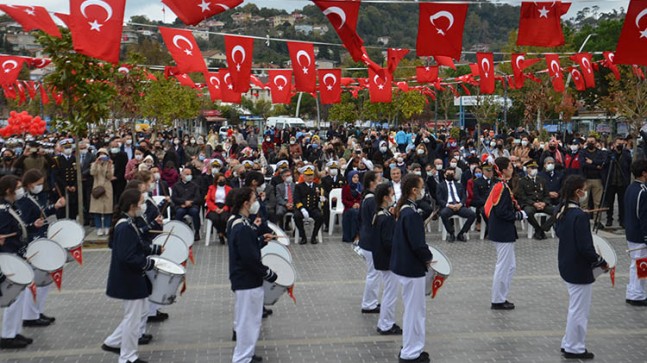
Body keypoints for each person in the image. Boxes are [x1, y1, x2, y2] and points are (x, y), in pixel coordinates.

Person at [102, 189, 162, 363]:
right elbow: (128, 256)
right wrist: (148, 263)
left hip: (132, 277)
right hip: (129, 279)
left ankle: (113, 342)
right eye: (141, 202)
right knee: (133, 318)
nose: (144, 206)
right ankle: (127, 356)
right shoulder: (125, 226)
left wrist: (154, 250)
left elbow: (138, 245)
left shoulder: (130, 223)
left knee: (140, 312)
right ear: (132, 205)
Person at [555, 175, 608, 360]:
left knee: (575, 306)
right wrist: (600, 261)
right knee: (579, 310)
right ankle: (574, 347)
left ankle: (567, 341)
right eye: (584, 189)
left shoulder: (562, 209)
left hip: (566, 263)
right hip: (578, 267)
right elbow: (585, 247)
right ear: (578, 192)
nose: (586, 192)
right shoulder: (579, 215)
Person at [227, 187, 277, 363]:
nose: (257, 202)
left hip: (242, 279)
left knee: (247, 320)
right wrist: (268, 273)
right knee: (248, 322)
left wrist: (261, 240)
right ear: (246, 203)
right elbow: (249, 258)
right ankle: (242, 358)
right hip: (247, 281)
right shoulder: (243, 227)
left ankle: (246, 354)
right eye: (254, 199)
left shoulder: (238, 222)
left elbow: (247, 247)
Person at [390, 173, 432, 363]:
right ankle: (410, 352)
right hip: (412, 268)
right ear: (414, 190)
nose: (423, 190)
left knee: (412, 310)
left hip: (404, 266)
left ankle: (413, 346)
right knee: (415, 312)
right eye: (421, 187)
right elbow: (417, 244)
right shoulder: (411, 214)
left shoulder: (405, 210)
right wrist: (428, 258)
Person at [18, 170, 65, 327]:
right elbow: (22, 223)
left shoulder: (35, 196)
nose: (41, 186)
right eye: (38, 183)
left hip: (41, 238)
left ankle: (37, 310)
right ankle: (30, 315)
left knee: (44, 280)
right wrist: (33, 225)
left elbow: (42, 212)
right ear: (30, 184)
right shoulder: (23, 200)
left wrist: (55, 206)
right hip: (33, 242)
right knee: (35, 279)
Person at [486, 157, 525, 310]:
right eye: (509, 166)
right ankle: (497, 299)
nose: (512, 168)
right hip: (502, 231)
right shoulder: (500, 187)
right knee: (503, 266)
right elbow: (501, 211)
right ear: (502, 170)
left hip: (503, 230)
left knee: (510, 266)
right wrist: (517, 216)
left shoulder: (502, 185)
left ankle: (502, 296)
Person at [0, 176, 34, 349]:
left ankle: (14, 331)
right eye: (18, 187)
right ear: (8, 190)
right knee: (13, 297)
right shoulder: (2, 211)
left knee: (19, 295)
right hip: (10, 257)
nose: (21, 190)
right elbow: (4, 237)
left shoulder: (10, 207)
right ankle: (6, 335)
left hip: (17, 255)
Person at [371, 183, 402, 336]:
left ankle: (385, 322)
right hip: (388, 261)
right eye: (391, 194)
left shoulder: (379, 214)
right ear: (385, 197)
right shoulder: (386, 218)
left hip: (381, 259)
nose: (393, 197)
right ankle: (386, 324)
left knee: (389, 293)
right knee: (390, 294)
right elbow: (389, 241)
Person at [623, 159, 647, 306]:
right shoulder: (642, 191)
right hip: (640, 234)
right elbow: (643, 216)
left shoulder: (630, 188)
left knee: (635, 264)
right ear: (644, 173)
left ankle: (633, 291)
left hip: (631, 232)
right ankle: (638, 294)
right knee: (642, 265)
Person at [357, 171, 380, 314]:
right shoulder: (371, 200)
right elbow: (376, 221)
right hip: (371, 241)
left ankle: (372, 301)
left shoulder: (367, 198)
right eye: (378, 179)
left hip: (366, 239)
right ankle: (368, 303)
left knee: (374, 273)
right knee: (373, 273)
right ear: (372, 182)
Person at [516, 160, 555, 240]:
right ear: (527, 169)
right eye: (532, 168)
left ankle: (543, 229)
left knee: (557, 211)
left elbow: (546, 195)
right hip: (530, 204)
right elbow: (522, 197)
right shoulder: (522, 181)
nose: (534, 170)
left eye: (535, 168)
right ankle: (538, 229)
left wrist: (544, 203)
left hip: (542, 203)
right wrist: (534, 203)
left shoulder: (542, 180)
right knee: (528, 212)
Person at [436, 167, 476, 242]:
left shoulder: (459, 185)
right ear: (445, 175)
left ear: (454, 174)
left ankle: (462, 233)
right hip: (448, 206)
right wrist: (449, 205)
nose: (450, 175)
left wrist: (460, 204)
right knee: (443, 214)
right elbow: (439, 199)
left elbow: (464, 196)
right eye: (448, 173)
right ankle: (451, 233)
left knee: (472, 214)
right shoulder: (440, 185)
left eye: (452, 173)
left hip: (459, 206)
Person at [580, 136, 607, 230]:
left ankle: (597, 221)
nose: (590, 143)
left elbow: (603, 163)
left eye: (592, 141)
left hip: (598, 180)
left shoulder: (600, 153)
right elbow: (583, 164)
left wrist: (591, 162)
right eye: (588, 141)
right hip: (585, 180)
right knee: (584, 202)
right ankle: (583, 220)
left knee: (598, 202)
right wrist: (596, 165)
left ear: (596, 143)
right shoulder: (583, 152)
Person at [603, 138, 631, 228]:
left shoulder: (626, 154)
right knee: (610, 202)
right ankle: (609, 219)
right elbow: (605, 164)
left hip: (622, 182)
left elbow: (629, 166)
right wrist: (612, 153)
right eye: (618, 143)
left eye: (622, 143)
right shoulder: (609, 153)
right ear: (614, 144)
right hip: (611, 181)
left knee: (622, 202)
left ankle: (622, 220)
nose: (620, 145)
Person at [294, 165, 324, 244]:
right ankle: (303, 236)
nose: (310, 177)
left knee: (320, 217)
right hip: (302, 208)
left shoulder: (317, 186)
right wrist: (302, 209)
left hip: (313, 208)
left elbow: (319, 198)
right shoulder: (299, 186)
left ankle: (314, 236)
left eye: (311, 175)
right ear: (303, 176)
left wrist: (322, 199)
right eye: (307, 175)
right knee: (296, 217)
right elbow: (296, 199)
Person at [172, 168, 202, 241]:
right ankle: (177, 231)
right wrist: (184, 202)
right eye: (187, 174)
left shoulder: (195, 185)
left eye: (190, 174)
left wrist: (190, 202)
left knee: (195, 212)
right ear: (182, 175)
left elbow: (198, 198)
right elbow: (174, 198)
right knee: (179, 212)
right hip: (180, 205)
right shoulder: (176, 186)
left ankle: (197, 231)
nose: (189, 176)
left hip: (192, 205)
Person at [90, 148, 115, 236]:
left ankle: (107, 226)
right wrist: (97, 163)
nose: (102, 156)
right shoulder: (94, 164)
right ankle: (99, 227)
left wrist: (109, 166)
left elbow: (110, 176)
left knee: (107, 209)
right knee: (97, 209)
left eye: (104, 154)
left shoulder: (110, 164)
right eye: (100, 154)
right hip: (97, 187)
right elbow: (92, 173)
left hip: (107, 187)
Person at [206, 173, 232, 244]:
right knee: (215, 218)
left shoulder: (229, 189)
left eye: (223, 180)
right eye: (220, 180)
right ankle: (222, 233)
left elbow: (230, 201)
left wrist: (224, 208)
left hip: (225, 206)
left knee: (224, 218)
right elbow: (208, 200)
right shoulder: (211, 188)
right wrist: (215, 208)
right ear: (216, 181)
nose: (222, 181)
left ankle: (221, 233)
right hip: (213, 207)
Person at [341, 171, 363, 242]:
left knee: (359, 212)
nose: (356, 179)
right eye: (354, 177)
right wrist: (352, 205)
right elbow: (344, 200)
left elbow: (360, 198)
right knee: (354, 213)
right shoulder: (346, 188)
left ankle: (359, 235)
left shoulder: (360, 187)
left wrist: (358, 204)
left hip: (357, 207)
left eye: (357, 177)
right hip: (348, 208)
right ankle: (354, 235)